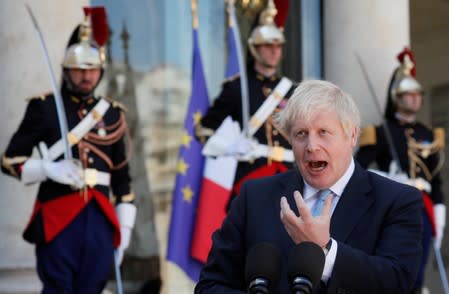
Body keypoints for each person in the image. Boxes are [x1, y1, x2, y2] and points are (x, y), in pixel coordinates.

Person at [195, 79, 423, 293]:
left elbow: (397, 282)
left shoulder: (398, 201)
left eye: (323, 132)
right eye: (301, 134)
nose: (312, 146)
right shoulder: (254, 197)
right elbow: (211, 285)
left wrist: (325, 249)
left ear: (352, 135)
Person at [1, 7, 136, 293]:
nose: (86, 76)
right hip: (58, 218)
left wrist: (124, 230)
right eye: (79, 69)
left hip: (100, 220)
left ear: (101, 70)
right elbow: (10, 161)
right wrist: (47, 168)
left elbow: (123, 180)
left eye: (92, 69)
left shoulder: (112, 115)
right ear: (66, 70)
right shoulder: (44, 108)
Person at [356, 47, 446, 294]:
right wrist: (388, 178)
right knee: (397, 262)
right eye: (409, 94)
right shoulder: (382, 131)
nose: (416, 98)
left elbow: (435, 179)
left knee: (419, 269)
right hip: (394, 202)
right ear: (397, 96)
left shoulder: (428, 135)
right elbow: (358, 169)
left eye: (418, 94)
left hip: (424, 204)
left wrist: (439, 216)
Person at [195, 0, 296, 199]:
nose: (275, 51)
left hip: (289, 175)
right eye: (268, 45)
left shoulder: (292, 90)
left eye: (278, 45)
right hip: (252, 177)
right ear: (254, 49)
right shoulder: (236, 87)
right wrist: (230, 147)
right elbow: (204, 130)